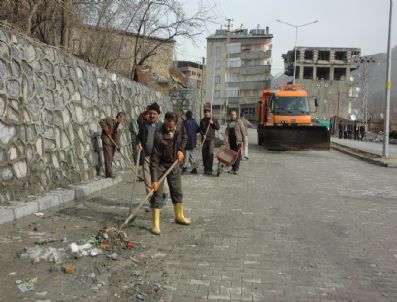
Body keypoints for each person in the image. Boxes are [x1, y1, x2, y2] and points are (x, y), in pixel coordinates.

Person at [150, 112, 190, 235]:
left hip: (174, 163)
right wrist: (155, 179)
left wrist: (180, 150)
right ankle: (155, 224)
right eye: (166, 126)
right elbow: (154, 160)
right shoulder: (158, 135)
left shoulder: (180, 126)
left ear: (175, 124)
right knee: (157, 194)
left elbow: (184, 137)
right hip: (161, 166)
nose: (168, 128)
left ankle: (179, 216)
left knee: (177, 190)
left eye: (170, 127)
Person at [136, 103, 169, 198]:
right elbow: (138, 136)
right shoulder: (144, 125)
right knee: (147, 180)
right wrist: (138, 143)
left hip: (159, 158)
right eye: (150, 113)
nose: (152, 115)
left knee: (161, 179)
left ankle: (164, 195)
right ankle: (152, 201)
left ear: (158, 114)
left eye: (154, 113)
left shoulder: (162, 127)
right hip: (146, 156)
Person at [99, 112, 126, 178]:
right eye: (122, 119)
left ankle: (108, 173)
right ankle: (109, 174)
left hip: (113, 142)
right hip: (107, 140)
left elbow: (117, 138)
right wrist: (106, 129)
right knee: (108, 157)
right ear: (119, 117)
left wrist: (119, 146)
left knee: (110, 157)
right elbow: (101, 121)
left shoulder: (119, 126)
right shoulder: (110, 119)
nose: (122, 121)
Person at [224, 111, 246, 175]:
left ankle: (236, 169)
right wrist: (225, 138)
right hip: (232, 141)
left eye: (234, 115)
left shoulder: (239, 122)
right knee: (232, 155)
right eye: (231, 115)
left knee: (237, 155)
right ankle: (233, 168)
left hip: (238, 141)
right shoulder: (230, 123)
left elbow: (243, 132)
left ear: (236, 115)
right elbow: (227, 131)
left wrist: (243, 142)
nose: (232, 116)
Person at [199, 108, 220, 175]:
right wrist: (203, 135)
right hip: (204, 140)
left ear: (210, 113)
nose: (206, 113)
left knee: (210, 154)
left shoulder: (213, 119)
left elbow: (218, 127)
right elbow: (200, 129)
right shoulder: (202, 121)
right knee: (204, 154)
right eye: (205, 112)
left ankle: (210, 169)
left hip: (211, 139)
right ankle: (205, 168)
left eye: (208, 112)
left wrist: (212, 123)